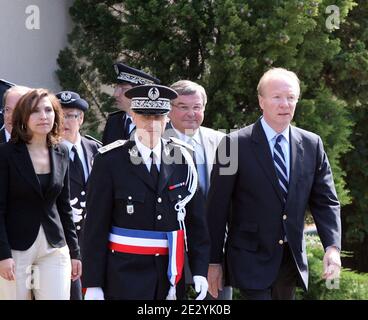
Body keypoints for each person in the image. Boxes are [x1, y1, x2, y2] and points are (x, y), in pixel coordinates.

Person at [207, 67, 341, 300]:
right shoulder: (233, 145)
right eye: (277, 97)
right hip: (249, 258)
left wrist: (332, 247)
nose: (285, 104)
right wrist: (213, 261)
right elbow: (216, 209)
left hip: (289, 259)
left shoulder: (312, 144)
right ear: (261, 101)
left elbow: (325, 201)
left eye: (291, 98)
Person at [82, 84, 210, 300]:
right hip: (124, 273)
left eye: (158, 117)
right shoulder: (110, 161)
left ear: (167, 118)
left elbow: (196, 222)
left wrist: (199, 270)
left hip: (169, 274)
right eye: (145, 116)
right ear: (133, 116)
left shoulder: (182, 158)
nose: (152, 124)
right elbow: (95, 226)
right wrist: (93, 283)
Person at [0, 89, 82, 300]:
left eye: (48, 110)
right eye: (35, 111)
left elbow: (64, 206)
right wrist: (2, 255)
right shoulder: (6, 154)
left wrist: (74, 252)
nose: (43, 116)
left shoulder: (61, 151)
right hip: (16, 249)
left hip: (54, 247)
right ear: (23, 117)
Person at [166, 80, 232, 300]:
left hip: (215, 249)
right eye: (183, 106)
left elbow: (233, 198)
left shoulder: (224, 142)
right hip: (170, 250)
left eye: (197, 107)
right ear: (169, 108)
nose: (191, 113)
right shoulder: (153, 142)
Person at [56, 90, 101, 300]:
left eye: (70, 115)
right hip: (63, 242)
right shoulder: (48, 152)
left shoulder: (97, 150)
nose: (64, 121)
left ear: (81, 118)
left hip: (94, 240)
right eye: (59, 115)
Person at [101, 62, 160, 145]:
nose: (115, 94)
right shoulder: (113, 121)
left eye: (124, 89)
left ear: (141, 93)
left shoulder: (154, 123)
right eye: (116, 88)